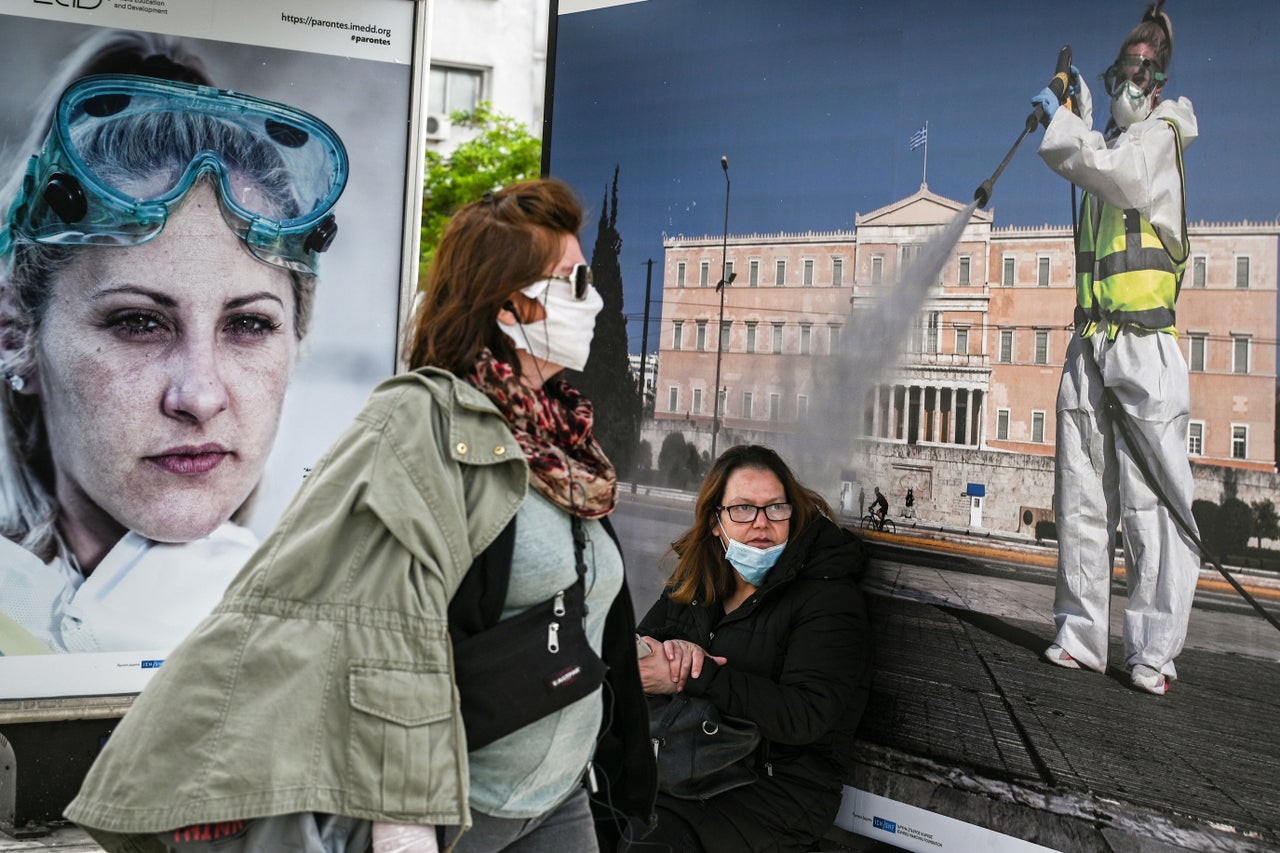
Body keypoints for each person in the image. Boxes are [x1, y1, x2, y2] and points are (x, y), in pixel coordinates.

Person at [66, 179, 656, 852]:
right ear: (511, 302)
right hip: (460, 803)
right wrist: (401, 820)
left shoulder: (564, 441)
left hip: (558, 796)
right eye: (574, 283)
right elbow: (388, 627)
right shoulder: (425, 419)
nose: (596, 301)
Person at [0, 31, 345, 654]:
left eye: (248, 325)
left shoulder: (326, 635)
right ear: (15, 334)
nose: (201, 396)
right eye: (138, 322)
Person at [1033, 1, 1198, 696]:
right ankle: (1080, 634)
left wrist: (1060, 120)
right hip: (1091, 342)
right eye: (1112, 75)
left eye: (1132, 72)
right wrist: (1070, 114)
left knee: (1153, 506)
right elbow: (1097, 162)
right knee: (1081, 494)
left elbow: (1121, 173)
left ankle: (1153, 654)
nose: (1119, 87)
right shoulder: (1106, 144)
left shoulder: (1160, 136)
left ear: (1153, 80)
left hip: (1144, 346)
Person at [635, 444, 871, 852]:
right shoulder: (698, 579)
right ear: (715, 521)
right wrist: (665, 655)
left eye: (775, 508)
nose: (761, 523)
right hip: (688, 764)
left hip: (776, 787)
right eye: (743, 509)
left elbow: (806, 715)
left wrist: (693, 675)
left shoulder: (827, 595)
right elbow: (641, 655)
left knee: (649, 841)